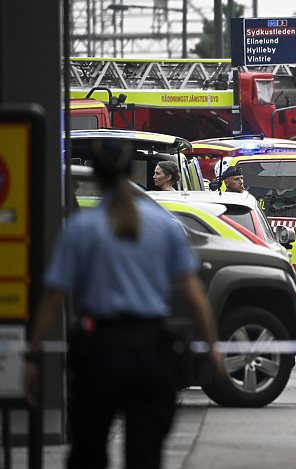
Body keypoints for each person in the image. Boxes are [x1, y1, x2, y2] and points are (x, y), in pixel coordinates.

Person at [24, 139, 223, 469]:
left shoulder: (80, 228)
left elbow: (52, 299)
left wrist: (32, 357)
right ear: (133, 172)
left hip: (99, 356)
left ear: (96, 178)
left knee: (87, 452)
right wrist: (213, 348)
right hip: (151, 356)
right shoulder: (164, 226)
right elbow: (194, 296)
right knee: (144, 456)